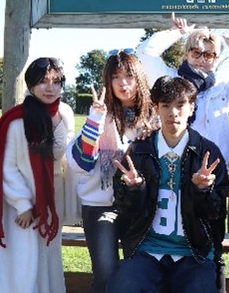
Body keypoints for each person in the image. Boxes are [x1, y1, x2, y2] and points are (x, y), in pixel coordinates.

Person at [108, 76, 229, 293]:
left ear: (192, 107)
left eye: (180, 105)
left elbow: (216, 214)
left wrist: (202, 190)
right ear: (156, 108)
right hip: (146, 250)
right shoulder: (139, 151)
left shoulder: (208, 153)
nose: (173, 112)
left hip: (193, 253)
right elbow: (125, 210)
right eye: (165, 105)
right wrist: (134, 189)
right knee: (122, 286)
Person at [0, 57, 74, 293]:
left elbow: (65, 155)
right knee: (22, 267)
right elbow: (6, 167)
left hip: (50, 201)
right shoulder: (16, 120)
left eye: (56, 81)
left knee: (47, 261)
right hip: (20, 207)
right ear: (30, 84)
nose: (50, 88)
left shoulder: (65, 113)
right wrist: (23, 204)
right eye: (43, 81)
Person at [68, 49, 156, 293]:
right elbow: (81, 162)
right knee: (105, 272)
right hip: (101, 204)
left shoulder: (153, 117)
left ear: (139, 78)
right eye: (116, 77)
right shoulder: (101, 114)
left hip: (139, 204)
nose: (122, 83)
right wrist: (95, 119)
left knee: (137, 272)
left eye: (129, 76)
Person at [136, 12, 229, 163]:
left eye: (208, 55)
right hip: (177, 166)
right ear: (186, 54)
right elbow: (145, 52)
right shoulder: (170, 81)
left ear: (216, 59)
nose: (202, 59)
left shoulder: (221, 88)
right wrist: (177, 32)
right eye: (196, 52)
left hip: (217, 166)